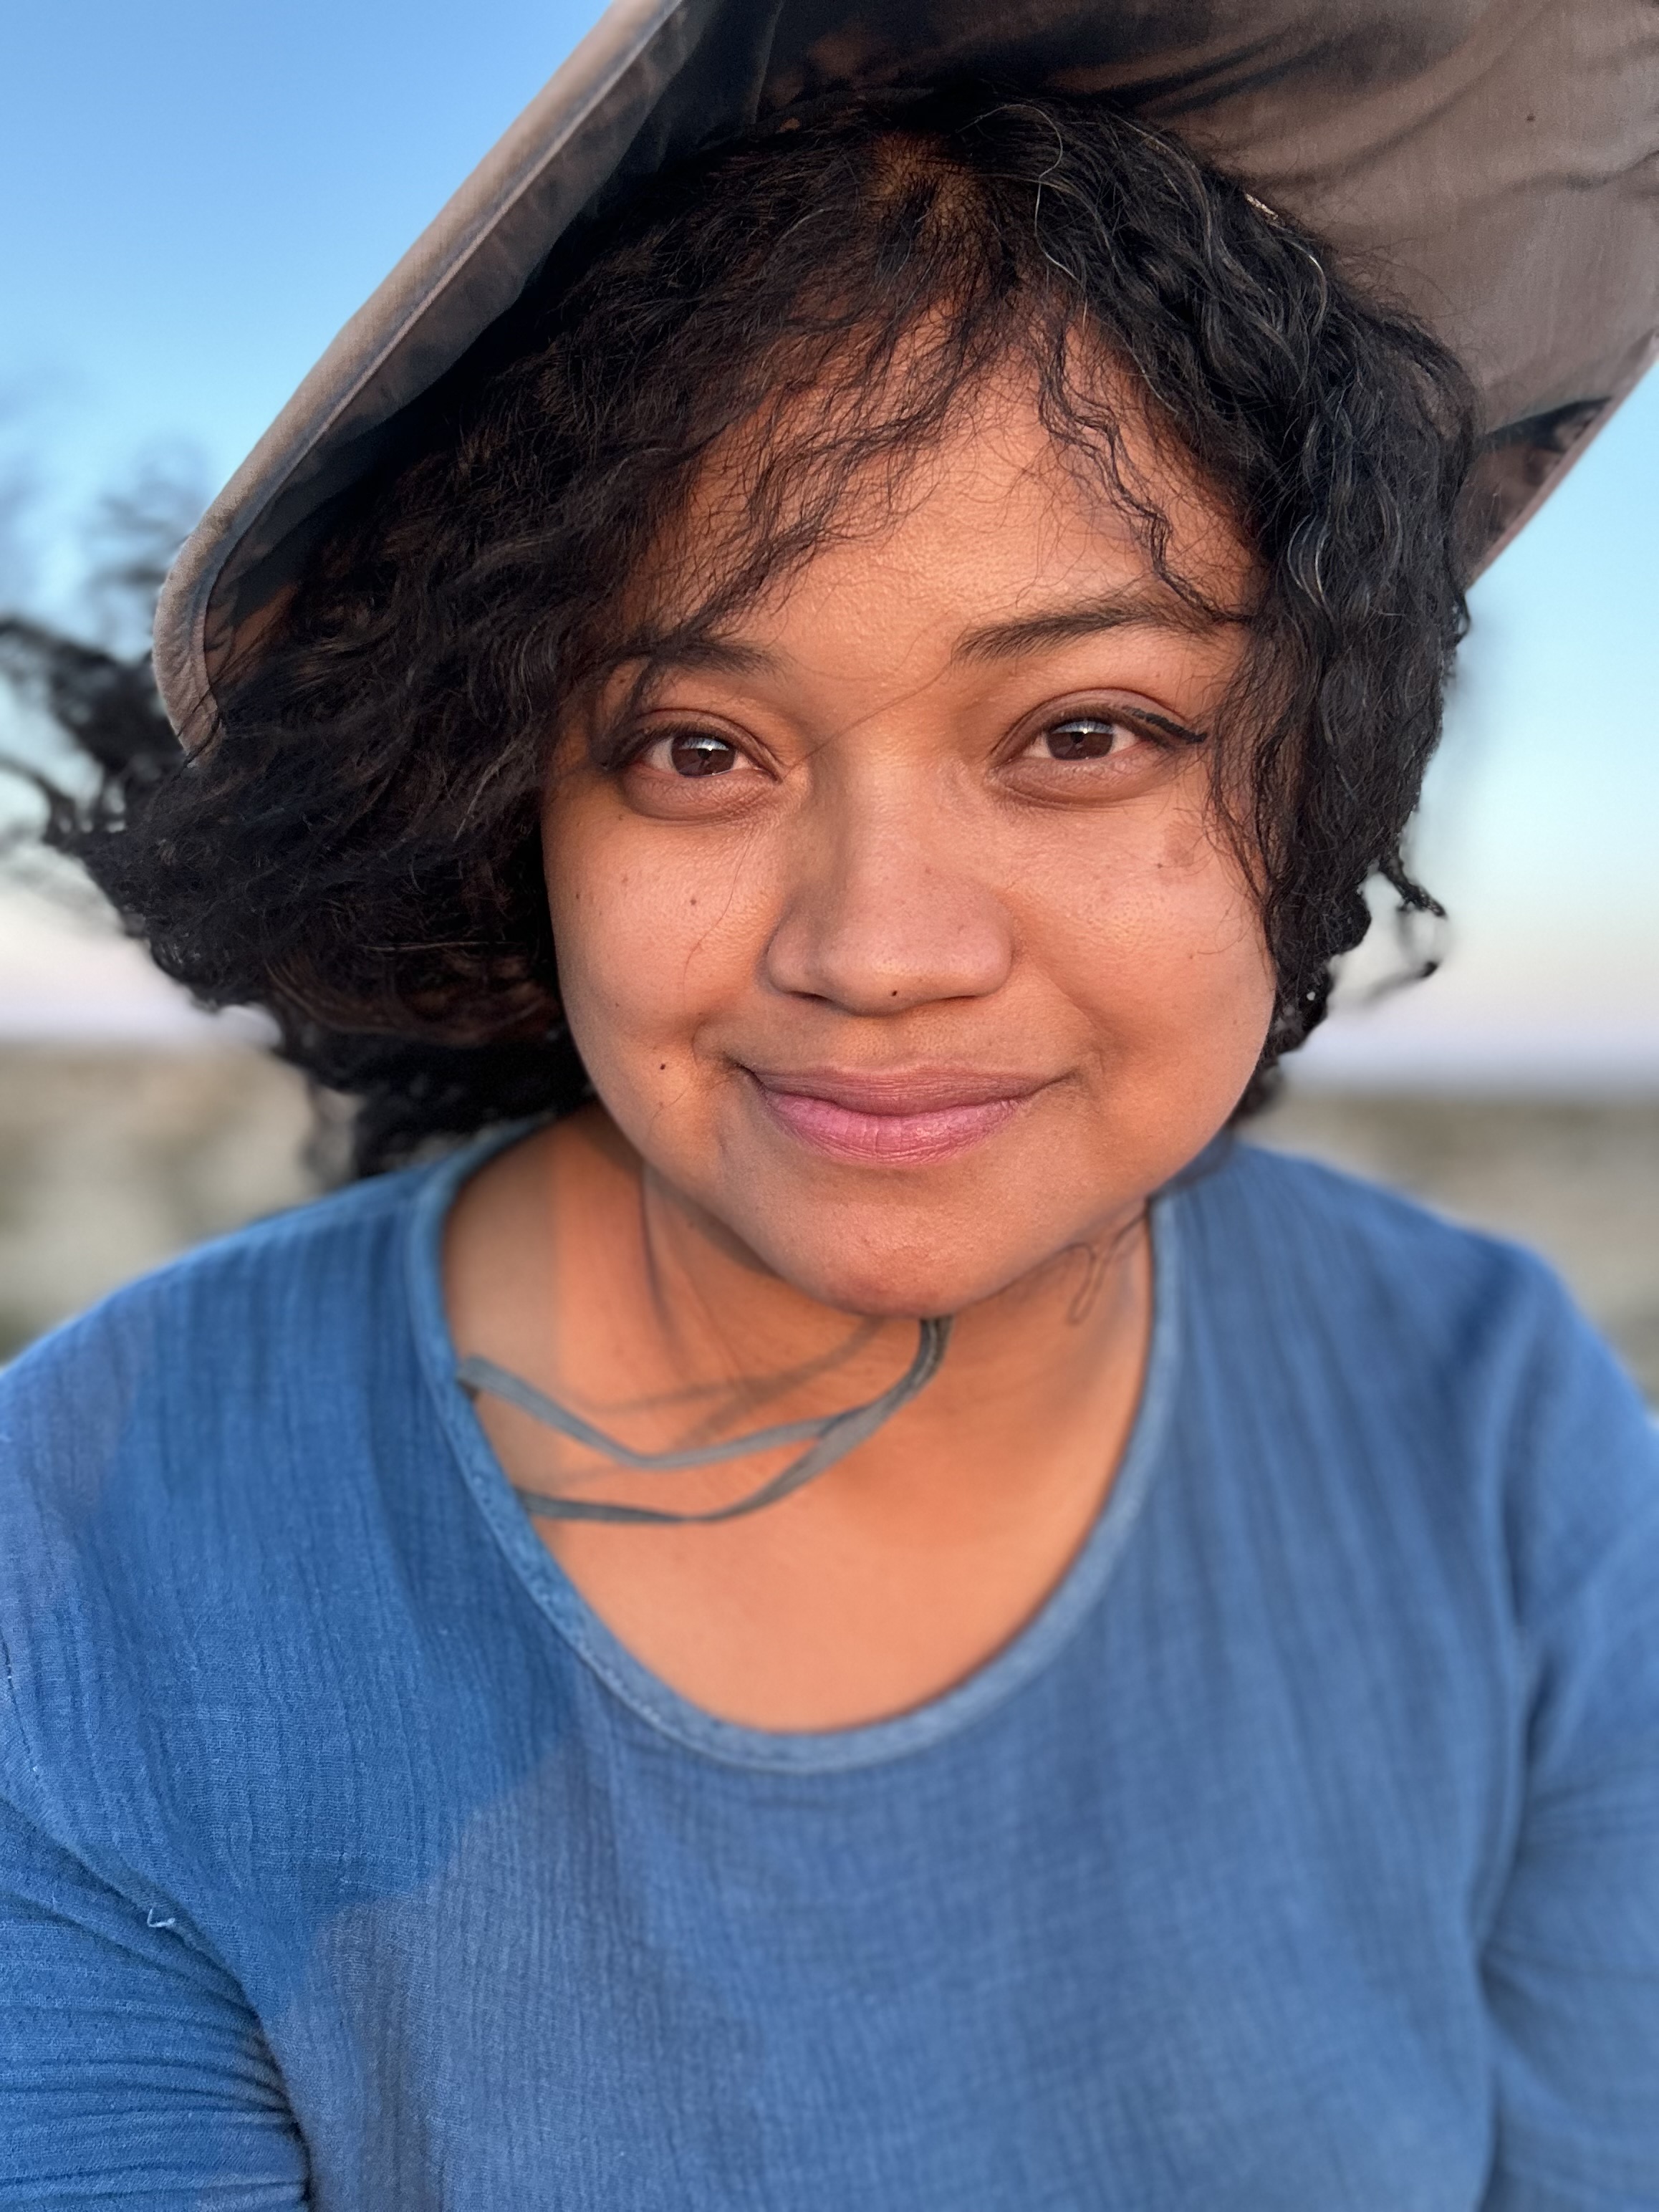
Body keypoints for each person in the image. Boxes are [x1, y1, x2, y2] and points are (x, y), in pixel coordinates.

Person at [2, 39, 1657, 2212]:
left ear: (1314, 776)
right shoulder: (85, 1565)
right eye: (695, 746)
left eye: (1081, 730)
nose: (877, 948)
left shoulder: (1494, 1435)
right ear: (520, 808)